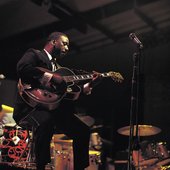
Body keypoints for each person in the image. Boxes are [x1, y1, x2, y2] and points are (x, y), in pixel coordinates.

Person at [13, 32, 102, 170]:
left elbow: (73, 92)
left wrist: (90, 84)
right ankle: (41, 166)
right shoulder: (35, 54)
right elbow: (22, 68)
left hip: (53, 111)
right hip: (29, 109)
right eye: (64, 43)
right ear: (54, 42)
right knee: (46, 121)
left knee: (82, 130)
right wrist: (50, 77)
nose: (67, 48)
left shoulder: (59, 69)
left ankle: (80, 168)